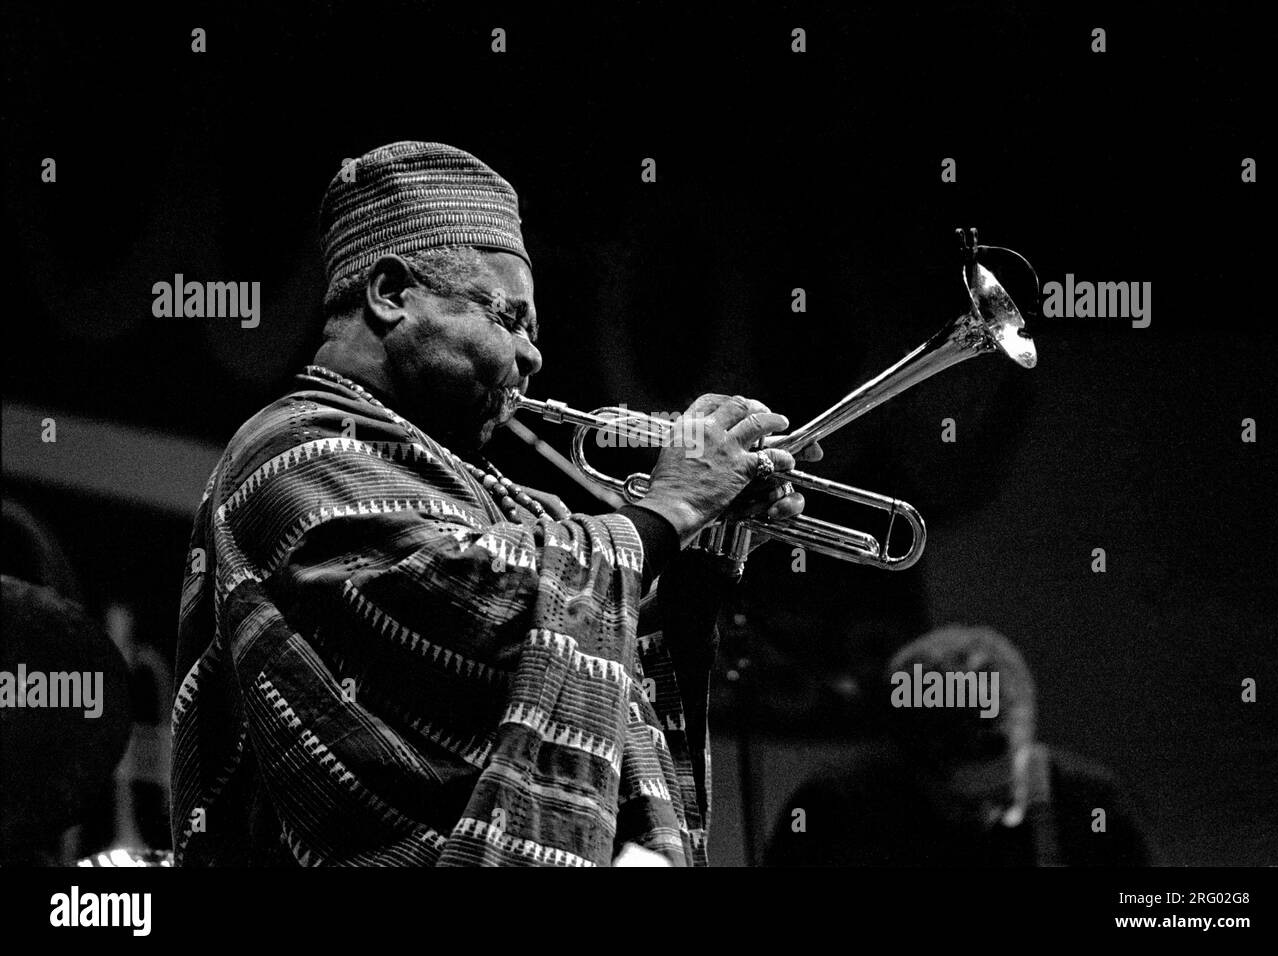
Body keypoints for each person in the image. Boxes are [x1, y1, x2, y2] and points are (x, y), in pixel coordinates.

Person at [169, 140, 818, 867]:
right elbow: (472, 605)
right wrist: (667, 509)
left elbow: (594, 667)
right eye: (508, 318)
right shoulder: (294, 447)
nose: (534, 357)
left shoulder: (494, 495)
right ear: (391, 294)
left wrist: (693, 565)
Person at [766, 625, 1153, 866]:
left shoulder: (1091, 803)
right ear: (906, 763)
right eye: (962, 805)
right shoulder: (832, 811)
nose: (987, 818)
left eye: (1004, 799)